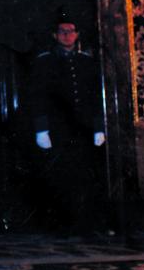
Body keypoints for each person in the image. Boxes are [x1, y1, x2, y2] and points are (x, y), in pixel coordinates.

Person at [28, 14, 107, 234]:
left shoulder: (86, 61)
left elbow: (94, 98)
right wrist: (41, 129)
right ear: (55, 35)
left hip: (83, 127)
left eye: (71, 31)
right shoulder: (44, 61)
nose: (67, 35)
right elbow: (38, 97)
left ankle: (87, 223)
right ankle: (63, 224)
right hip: (57, 128)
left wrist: (99, 127)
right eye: (62, 31)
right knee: (60, 176)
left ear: (77, 34)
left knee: (85, 174)